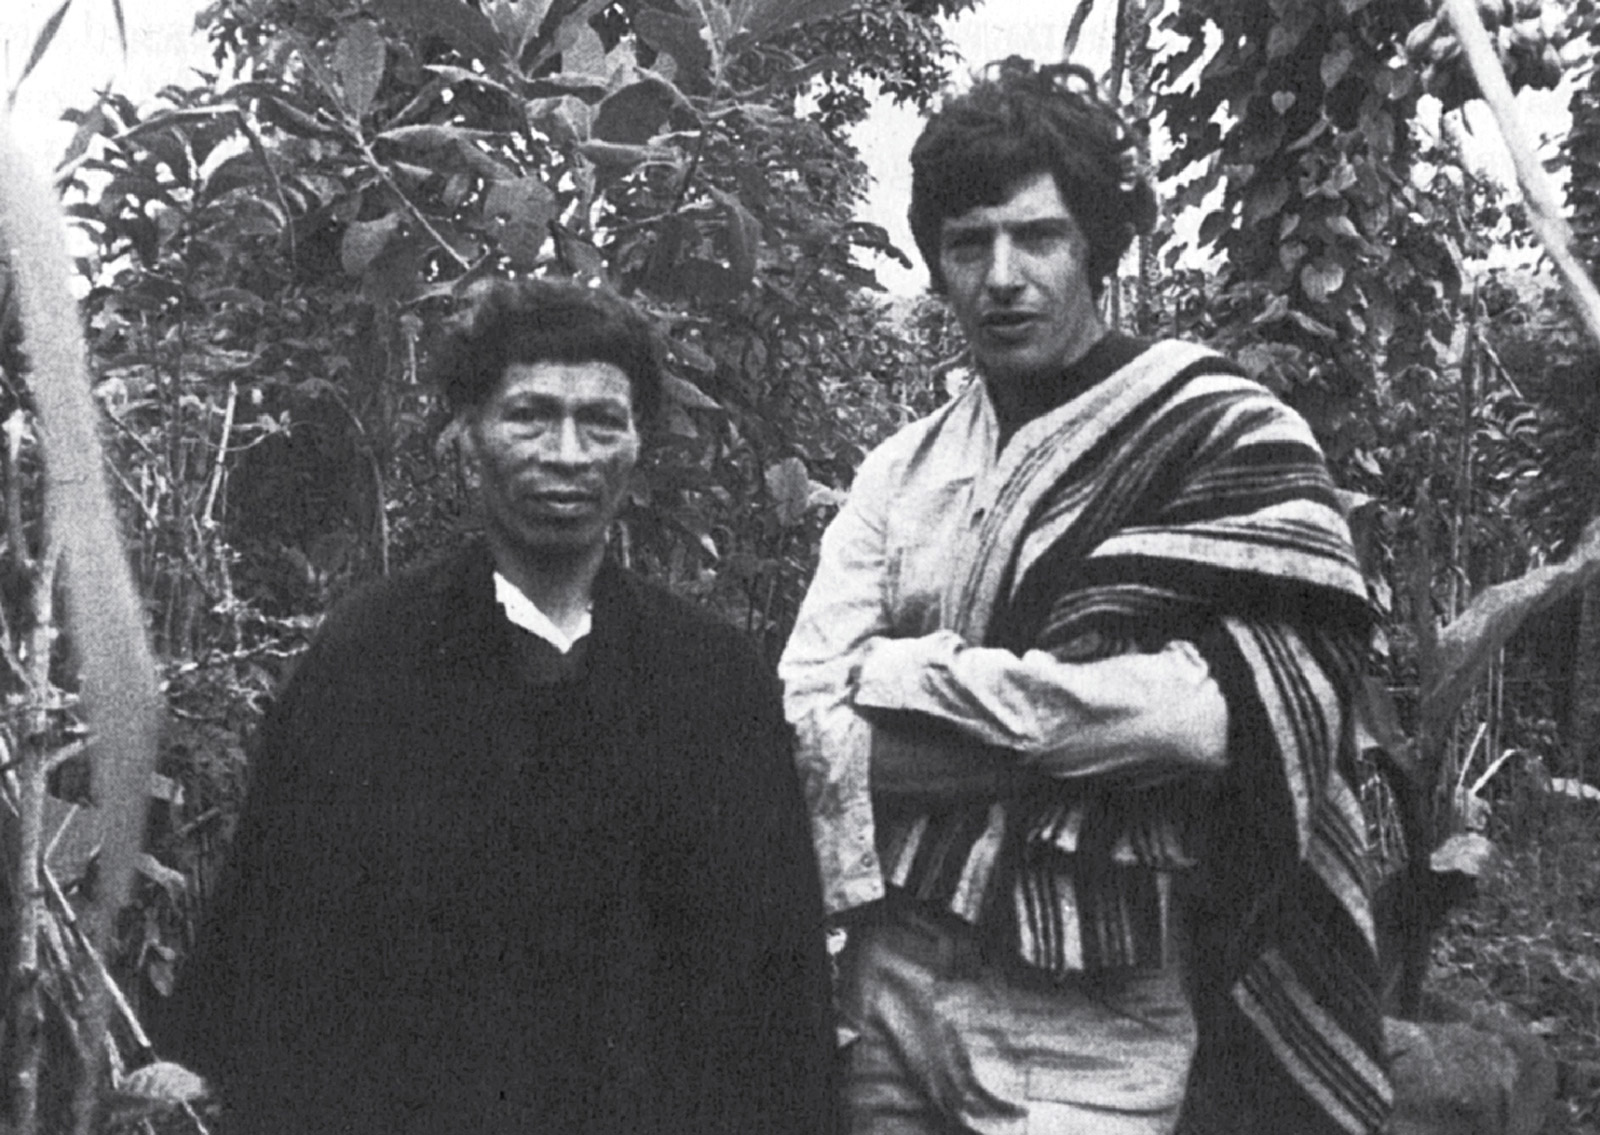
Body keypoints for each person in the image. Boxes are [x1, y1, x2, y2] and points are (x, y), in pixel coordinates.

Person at [779, 58, 1391, 1135]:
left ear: (1095, 247)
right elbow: (801, 714)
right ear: (936, 263)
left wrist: (911, 676)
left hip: (1087, 1013)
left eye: (1038, 236)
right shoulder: (902, 471)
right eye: (968, 243)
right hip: (891, 986)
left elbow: (1212, 722)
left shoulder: (1219, 436)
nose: (1002, 276)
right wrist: (1070, 731)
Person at [156, 279, 837, 1134]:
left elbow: (778, 983)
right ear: (468, 431)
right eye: (530, 415)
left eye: (601, 421)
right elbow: (280, 916)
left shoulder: (712, 681)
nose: (566, 451)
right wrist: (196, 1058)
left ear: (638, 440)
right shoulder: (371, 657)